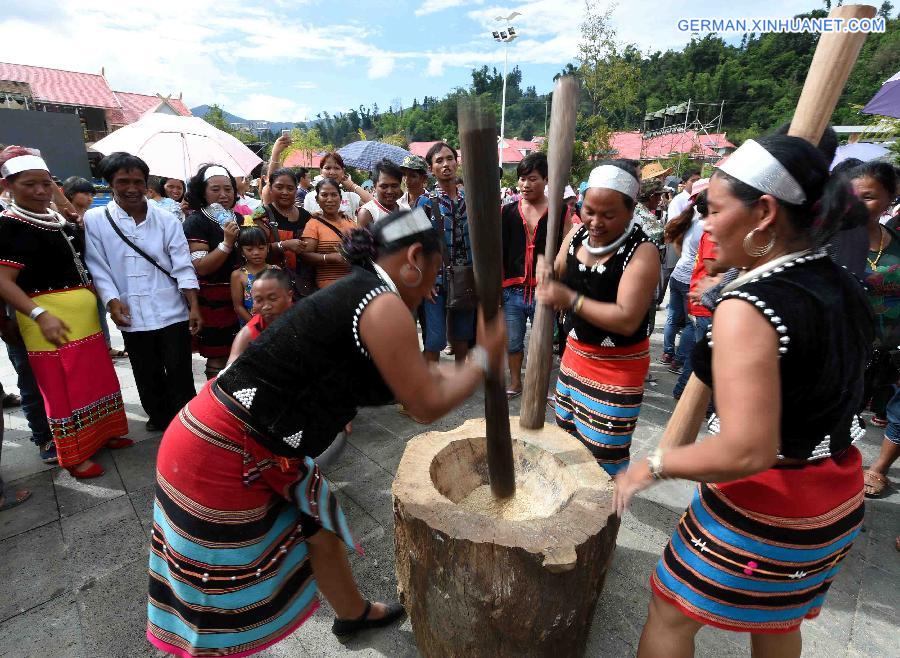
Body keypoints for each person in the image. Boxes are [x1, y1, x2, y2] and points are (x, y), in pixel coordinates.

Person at [146, 207, 507, 656]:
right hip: (222, 450)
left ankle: (352, 614)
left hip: (238, 436)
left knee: (318, 523)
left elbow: (420, 382)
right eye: (434, 273)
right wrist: (485, 358)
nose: (434, 289)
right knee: (221, 594)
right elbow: (425, 404)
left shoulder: (365, 291)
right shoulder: (383, 303)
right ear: (414, 256)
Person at [615, 135, 873, 658]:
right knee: (778, 619)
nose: (704, 226)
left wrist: (653, 465)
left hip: (767, 499)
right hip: (835, 493)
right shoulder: (838, 280)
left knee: (671, 611)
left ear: (765, 212)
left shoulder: (749, 306)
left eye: (712, 210)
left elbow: (745, 451)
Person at [0, 146, 130, 479]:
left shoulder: (59, 221)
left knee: (93, 377)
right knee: (61, 387)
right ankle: (74, 455)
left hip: (84, 319)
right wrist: (40, 314)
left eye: (46, 183)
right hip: (48, 321)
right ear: (7, 186)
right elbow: (3, 281)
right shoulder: (9, 227)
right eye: (30, 184)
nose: (41, 191)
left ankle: (102, 434)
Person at [537, 161, 660, 476]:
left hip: (615, 370)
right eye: (589, 210)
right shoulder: (577, 234)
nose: (595, 221)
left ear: (631, 210)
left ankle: (603, 520)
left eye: (608, 215)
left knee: (601, 465)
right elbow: (559, 270)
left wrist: (570, 300)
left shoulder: (642, 251)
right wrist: (546, 268)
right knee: (567, 449)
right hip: (573, 358)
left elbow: (626, 319)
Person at [84, 152, 202, 434]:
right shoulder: (95, 220)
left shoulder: (166, 220)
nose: (132, 188)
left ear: (147, 182)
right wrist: (112, 302)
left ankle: (187, 419)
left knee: (179, 369)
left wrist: (194, 306)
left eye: (138, 181)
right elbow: (98, 266)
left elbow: (182, 265)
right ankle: (158, 415)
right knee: (144, 368)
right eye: (123, 181)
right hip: (130, 311)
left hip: (171, 309)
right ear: (110, 183)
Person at [500, 152, 571, 397]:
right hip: (512, 289)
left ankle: (539, 384)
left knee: (542, 345)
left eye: (532, 178)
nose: (525, 184)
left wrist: (563, 286)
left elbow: (567, 248)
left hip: (545, 290)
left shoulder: (560, 211)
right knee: (513, 342)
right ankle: (515, 383)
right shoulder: (506, 212)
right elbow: (499, 250)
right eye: (521, 179)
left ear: (546, 180)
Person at [850, 162, 900, 497]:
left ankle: (879, 468)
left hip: (893, 346)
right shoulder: (829, 241)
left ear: (890, 199)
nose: (855, 203)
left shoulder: (896, 242)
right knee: (841, 410)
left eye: (867, 196)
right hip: (848, 348)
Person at [183, 164, 244, 379]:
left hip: (242, 294)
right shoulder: (195, 222)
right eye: (215, 189)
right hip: (214, 298)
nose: (223, 194)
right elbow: (201, 267)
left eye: (228, 189)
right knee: (218, 355)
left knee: (242, 351)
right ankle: (215, 402)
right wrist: (227, 243)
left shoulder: (239, 218)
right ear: (203, 191)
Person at [422, 142, 477, 363]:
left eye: (449, 159)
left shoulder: (470, 201)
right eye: (439, 161)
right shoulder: (425, 203)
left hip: (466, 276)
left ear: (457, 162)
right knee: (435, 339)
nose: (446, 164)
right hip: (435, 280)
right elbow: (417, 245)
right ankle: (431, 385)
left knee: (463, 334)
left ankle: (460, 380)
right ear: (431, 168)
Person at [661, 179, 709, 377]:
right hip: (691, 279)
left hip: (679, 274)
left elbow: (679, 246)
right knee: (690, 323)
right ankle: (679, 359)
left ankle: (668, 353)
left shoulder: (690, 220)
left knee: (673, 318)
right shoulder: (706, 226)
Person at [253, 168, 310, 284]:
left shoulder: (306, 216)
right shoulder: (260, 215)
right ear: (271, 189)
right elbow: (252, 249)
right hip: (270, 280)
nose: (285, 192)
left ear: (296, 190)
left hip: (302, 281)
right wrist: (283, 245)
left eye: (290, 188)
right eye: (279, 187)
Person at [226, 268, 294, 364]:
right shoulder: (248, 334)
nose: (266, 306)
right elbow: (231, 372)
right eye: (259, 300)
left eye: (273, 299)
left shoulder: (306, 320)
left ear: (289, 296)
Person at [301, 178, 356, 289]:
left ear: (340, 198)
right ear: (317, 199)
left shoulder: (351, 223)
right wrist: (329, 257)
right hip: (327, 288)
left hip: (354, 283)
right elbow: (305, 256)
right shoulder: (313, 224)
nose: (329, 199)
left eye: (334, 195)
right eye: (324, 195)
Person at [230, 223, 275, 325]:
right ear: (242, 251)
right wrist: (256, 325)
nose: (256, 253)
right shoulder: (238, 275)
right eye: (249, 249)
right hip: (251, 325)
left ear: (267, 248)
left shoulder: (275, 270)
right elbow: (238, 307)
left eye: (261, 248)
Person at [303, 151, 372, 216]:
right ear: (321, 171)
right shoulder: (310, 197)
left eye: (337, 168)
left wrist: (352, 185)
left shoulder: (351, 197)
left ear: (343, 171)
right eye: (328, 168)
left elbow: (375, 205)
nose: (332, 172)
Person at [357, 158, 404, 228]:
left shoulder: (405, 208)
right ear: (375, 186)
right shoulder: (367, 213)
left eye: (394, 186)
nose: (390, 191)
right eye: (384, 186)